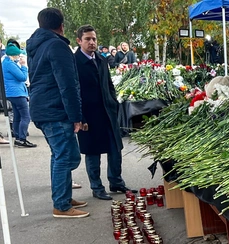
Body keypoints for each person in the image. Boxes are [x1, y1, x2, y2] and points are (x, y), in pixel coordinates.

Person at [27, 7, 89, 218]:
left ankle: (63, 196)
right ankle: (61, 205)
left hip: (42, 108)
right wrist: (76, 117)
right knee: (68, 157)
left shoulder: (37, 46)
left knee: (59, 155)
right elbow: (67, 84)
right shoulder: (57, 46)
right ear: (61, 26)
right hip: (55, 109)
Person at [74, 25, 133, 200]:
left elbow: (109, 84)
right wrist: (79, 117)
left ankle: (116, 181)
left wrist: (113, 103)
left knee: (115, 148)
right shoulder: (74, 62)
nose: (92, 42)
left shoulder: (100, 59)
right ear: (79, 41)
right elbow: (73, 91)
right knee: (93, 152)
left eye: (94, 39)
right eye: (87, 39)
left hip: (107, 111)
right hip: (89, 113)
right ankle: (97, 187)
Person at [2, 43, 35, 148]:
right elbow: (22, 77)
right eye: (18, 55)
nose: (19, 57)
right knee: (26, 116)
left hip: (11, 93)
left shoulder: (6, 62)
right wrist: (24, 66)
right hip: (17, 92)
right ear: (13, 55)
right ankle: (22, 138)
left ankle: (17, 137)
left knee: (17, 115)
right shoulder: (10, 64)